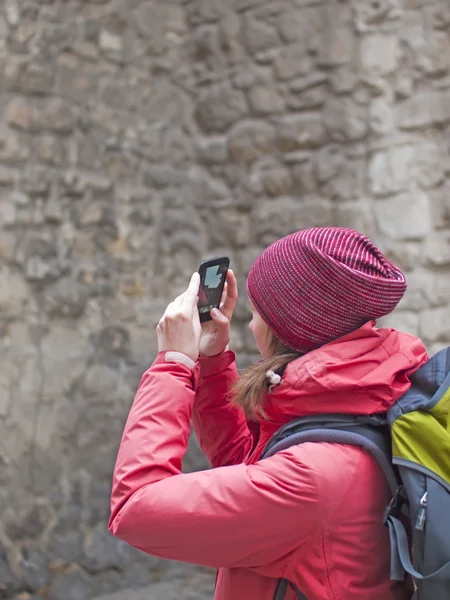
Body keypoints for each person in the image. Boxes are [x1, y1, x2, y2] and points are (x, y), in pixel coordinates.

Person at [109, 227, 428, 600]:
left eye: (258, 312)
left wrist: (174, 364)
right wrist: (211, 365)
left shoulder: (311, 479)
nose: (249, 323)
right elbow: (247, 474)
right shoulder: (367, 401)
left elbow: (136, 508)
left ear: (292, 328)